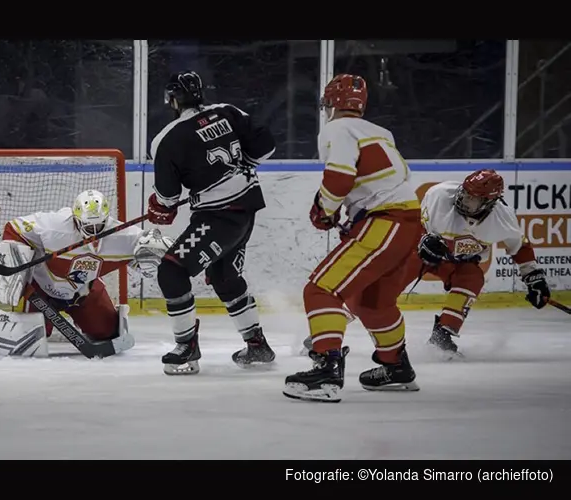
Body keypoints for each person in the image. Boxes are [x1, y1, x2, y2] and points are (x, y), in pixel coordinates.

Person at [283, 73, 422, 403]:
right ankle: (396, 367)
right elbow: (390, 176)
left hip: (385, 221)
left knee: (321, 289)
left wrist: (325, 208)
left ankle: (328, 370)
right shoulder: (380, 132)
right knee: (372, 303)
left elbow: (340, 177)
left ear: (330, 103)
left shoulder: (336, 129)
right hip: (406, 223)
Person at [146, 70, 277, 375]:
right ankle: (257, 345)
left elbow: (167, 199)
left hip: (220, 216)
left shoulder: (168, 138)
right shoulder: (228, 112)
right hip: (247, 208)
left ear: (172, 99)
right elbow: (266, 146)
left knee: (172, 270)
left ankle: (187, 348)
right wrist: (243, 167)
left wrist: (159, 207)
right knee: (225, 278)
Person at [0, 188, 174, 356]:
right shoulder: (53, 226)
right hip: (41, 292)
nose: (94, 232)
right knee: (27, 341)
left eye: (99, 226)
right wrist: (15, 269)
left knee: (107, 332)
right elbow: (14, 228)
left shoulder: (122, 235)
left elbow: (149, 245)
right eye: (88, 226)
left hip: (84, 292)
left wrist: (155, 253)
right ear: (75, 218)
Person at [403, 169, 550, 356]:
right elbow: (412, 224)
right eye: (464, 193)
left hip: (455, 263)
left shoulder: (503, 219)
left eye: (472, 199)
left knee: (472, 278)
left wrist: (534, 279)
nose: (463, 200)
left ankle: (442, 334)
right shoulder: (439, 195)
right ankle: (354, 312)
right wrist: (422, 239)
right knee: (385, 281)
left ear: (489, 203)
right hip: (418, 254)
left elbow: (520, 247)